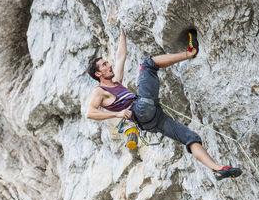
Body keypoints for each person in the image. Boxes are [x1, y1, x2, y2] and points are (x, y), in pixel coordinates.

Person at [86, 30, 242, 181]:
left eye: (107, 62)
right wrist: (117, 114)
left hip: (151, 121)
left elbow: (121, 56)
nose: (109, 65)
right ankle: (190, 53)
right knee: (147, 65)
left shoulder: (116, 83)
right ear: (98, 74)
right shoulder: (100, 91)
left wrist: (122, 33)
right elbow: (90, 113)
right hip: (140, 109)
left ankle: (217, 169)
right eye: (104, 65)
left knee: (190, 138)